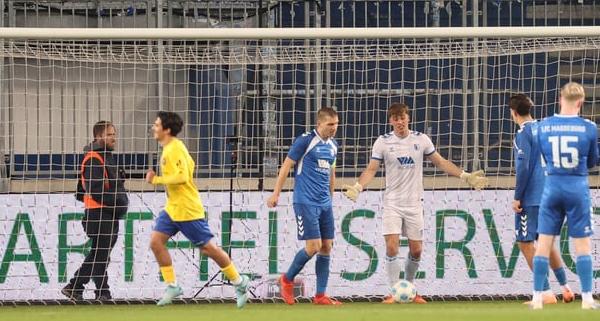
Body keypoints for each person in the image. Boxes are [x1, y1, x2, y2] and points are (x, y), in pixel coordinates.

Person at [342, 102, 488, 303]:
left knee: (416, 250)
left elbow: (441, 162)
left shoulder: (421, 139)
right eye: (395, 118)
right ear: (391, 121)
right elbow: (371, 169)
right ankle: (394, 292)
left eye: (403, 117)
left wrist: (465, 176)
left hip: (414, 203)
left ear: (408, 118)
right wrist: (358, 187)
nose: (400, 122)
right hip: (393, 202)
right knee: (392, 246)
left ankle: (408, 288)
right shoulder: (383, 142)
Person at [144, 111, 251, 307]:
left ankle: (239, 281)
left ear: (167, 130)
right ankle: (173, 285)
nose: (153, 127)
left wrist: (156, 180)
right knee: (156, 243)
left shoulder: (174, 149)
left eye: (157, 124)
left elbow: (183, 176)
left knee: (208, 249)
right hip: (172, 208)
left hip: (187, 208)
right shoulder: (171, 148)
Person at [530, 82, 600, 310]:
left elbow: (543, 155)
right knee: (582, 244)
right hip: (577, 187)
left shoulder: (544, 126)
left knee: (544, 244)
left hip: (552, 186)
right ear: (580, 103)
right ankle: (588, 299)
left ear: (560, 100)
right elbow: (592, 161)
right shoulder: (589, 128)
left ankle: (537, 298)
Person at [267, 107, 343, 306]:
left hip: (324, 203)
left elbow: (331, 174)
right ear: (319, 123)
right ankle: (287, 279)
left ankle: (320, 296)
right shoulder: (306, 140)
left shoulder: (334, 145)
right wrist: (276, 193)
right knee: (314, 246)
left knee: (327, 247)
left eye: (336, 124)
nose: (334, 128)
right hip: (305, 201)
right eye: (330, 125)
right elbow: (285, 167)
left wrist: (331, 197)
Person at [508, 94, 575, 305]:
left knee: (525, 243)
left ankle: (546, 292)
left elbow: (524, 166)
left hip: (533, 197)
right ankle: (566, 288)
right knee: (546, 242)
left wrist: (518, 197)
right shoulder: (545, 128)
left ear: (514, 113)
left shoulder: (522, 134)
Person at [62, 121, 130, 302]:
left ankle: (102, 291)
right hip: (100, 213)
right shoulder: (94, 158)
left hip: (106, 212)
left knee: (101, 254)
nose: (113, 138)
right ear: (98, 137)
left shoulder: (104, 157)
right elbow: (96, 189)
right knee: (101, 254)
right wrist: (117, 202)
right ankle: (76, 285)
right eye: (109, 134)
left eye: (114, 134)